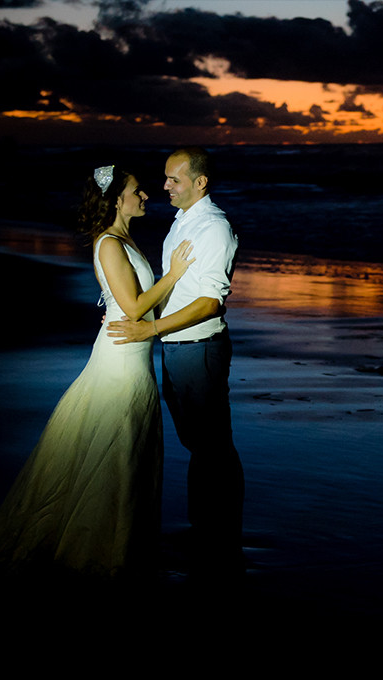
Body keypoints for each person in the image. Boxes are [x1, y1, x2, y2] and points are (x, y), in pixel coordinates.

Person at [0, 165, 195, 580]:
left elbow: (132, 305)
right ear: (116, 199)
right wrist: (174, 275)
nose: (146, 195)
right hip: (121, 362)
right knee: (116, 451)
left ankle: (117, 546)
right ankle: (100, 555)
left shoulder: (125, 239)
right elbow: (133, 308)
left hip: (132, 354)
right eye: (137, 190)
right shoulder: (110, 243)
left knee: (123, 453)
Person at [107, 147, 244, 579]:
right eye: (165, 178)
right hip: (176, 348)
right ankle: (209, 533)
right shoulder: (182, 222)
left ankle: (219, 540)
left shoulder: (214, 228)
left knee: (213, 449)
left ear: (200, 182)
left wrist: (150, 329)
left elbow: (208, 301)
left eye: (174, 179)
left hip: (198, 349)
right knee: (201, 447)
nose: (164, 186)